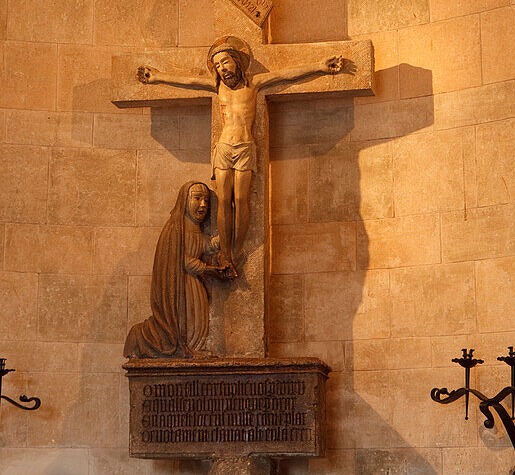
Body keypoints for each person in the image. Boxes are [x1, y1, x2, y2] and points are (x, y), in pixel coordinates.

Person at [137, 36, 347, 272]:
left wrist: (319, 66)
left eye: (225, 62)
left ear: (236, 61)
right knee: (224, 201)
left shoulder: (254, 84)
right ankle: (225, 251)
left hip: (245, 147)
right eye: (217, 66)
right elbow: (189, 82)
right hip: (225, 147)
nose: (222, 69)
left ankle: (237, 249)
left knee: (241, 200)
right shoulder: (217, 87)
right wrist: (157, 77)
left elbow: (285, 75)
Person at [123, 181, 230, 360]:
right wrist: (208, 269)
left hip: (194, 283)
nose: (203, 204)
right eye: (197, 198)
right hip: (181, 285)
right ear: (184, 201)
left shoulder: (194, 228)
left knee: (198, 316)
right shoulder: (174, 229)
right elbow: (182, 260)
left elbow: (205, 245)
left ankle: (194, 347)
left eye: (206, 201)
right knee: (186, 317)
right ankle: (148, 339)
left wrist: (225, 236)